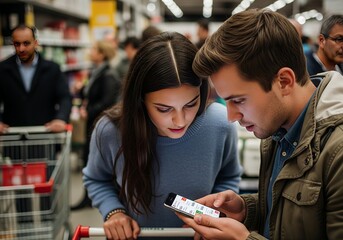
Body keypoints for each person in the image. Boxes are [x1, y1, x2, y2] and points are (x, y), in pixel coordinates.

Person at [177, 9, 343, 240]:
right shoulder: (279, 129)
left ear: (284, 81)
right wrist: (249, 209)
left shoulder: (337, 150)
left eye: (238, 100)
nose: (231, 116)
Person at [82, 32, 242, 239]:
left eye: (190, 104)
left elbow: (228, 176)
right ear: (140, 100)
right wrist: (114, 212)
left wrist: (215, 216)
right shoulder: (110, 130)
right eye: (164, 109)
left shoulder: (220, 123)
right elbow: (96, 178)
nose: (180, 120)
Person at [71, 40, 122, 210]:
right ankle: (88, 198)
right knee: (88, 160)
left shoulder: (108, 75)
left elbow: (106, 103)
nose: (90, 51)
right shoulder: (97, 71)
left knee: (94, 161)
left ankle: (92, 199)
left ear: (102, 54)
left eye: (94, 48)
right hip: (92, 123)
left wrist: (89, 110)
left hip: (98, 125)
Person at [0, 24, 72, 133]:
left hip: (45, 134)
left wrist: (60, 118)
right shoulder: (3, 69)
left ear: (36, 43)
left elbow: (64, 97)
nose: (21, 48)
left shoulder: (52, 69)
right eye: (17, 44)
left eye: (26, 43)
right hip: (13, 136)